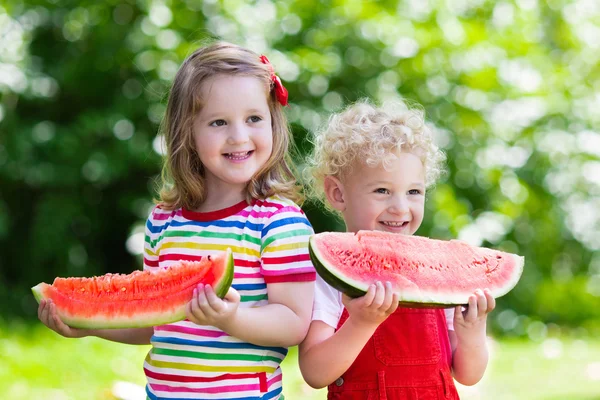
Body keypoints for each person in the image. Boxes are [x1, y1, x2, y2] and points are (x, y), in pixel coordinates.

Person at [37, 41, 316, 400]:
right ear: (188, 132)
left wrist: (229, 318)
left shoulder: (280, 223)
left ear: (273, 122)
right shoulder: (164, 221)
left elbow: (294, 324)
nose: (239, 136)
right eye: (218, 122)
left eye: (254, 119)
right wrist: (88, 324)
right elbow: (152, 321)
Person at [299, 100, 495, 399]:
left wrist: (472, 334)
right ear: (338, 193)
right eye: (382, 191)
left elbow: (468, 375)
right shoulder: (330, 276)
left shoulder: (437, 273)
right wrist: (361, 323)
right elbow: (315, 372)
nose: (400, 207)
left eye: (414, 192)